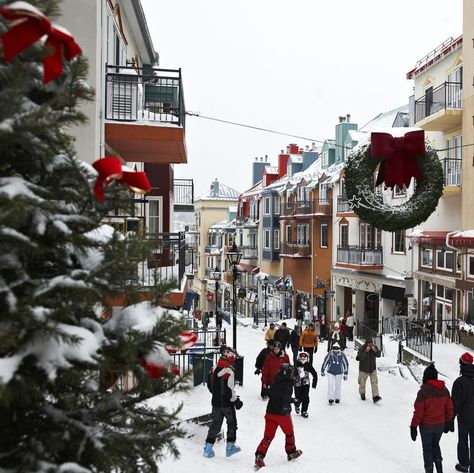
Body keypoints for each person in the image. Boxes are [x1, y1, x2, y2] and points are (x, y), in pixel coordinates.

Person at [254, 363, 303, 469]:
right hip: (282, 414)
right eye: (291, 374)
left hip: (270, 412)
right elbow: (284, 398)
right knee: (289, 433)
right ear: (286, 373)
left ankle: (259, 456)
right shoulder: (288, 383)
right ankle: (291, 453)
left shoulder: (276, 380)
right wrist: (293, 400)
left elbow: (273, 394)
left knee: (268, 436)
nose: (293, 376)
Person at [410, 363, 453, 473]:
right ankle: (439, 468)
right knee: (435, 445)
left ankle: (429, 470)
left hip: (426, 426)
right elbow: (449, 409)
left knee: (427, 448)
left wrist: (413, 426)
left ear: (426, 377)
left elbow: (418, 412)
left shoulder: (423, 392)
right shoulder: (445, 391)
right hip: (440, 425)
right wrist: (448, 421)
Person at [204, 346, 243, 458]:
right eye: (233, 355)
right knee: (231, 424)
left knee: (215, 425)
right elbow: (230, 390)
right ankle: (230, 448)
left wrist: (216, 394)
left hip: (216, 403)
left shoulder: (214, 368)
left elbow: (210, 386)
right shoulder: (229, 371)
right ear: (229, 356)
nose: (234, 357)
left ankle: (208, 449)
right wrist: (237, 402)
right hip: (227, 405)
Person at [451, 352, 474, 473]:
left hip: (464, 418)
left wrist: (450, 419)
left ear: (461, 365)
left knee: (463, 441)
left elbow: (455, 404)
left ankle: (464, 464)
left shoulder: (459, 383)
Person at [357, 337, 382, 403]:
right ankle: (362, 393)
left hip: (372, 368)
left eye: (371, 343)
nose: (370, 344)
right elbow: (358, 358)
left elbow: (379, 355)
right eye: (368, 343)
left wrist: (375, 351)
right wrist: (366, 351)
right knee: (362, 383)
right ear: (366, 343)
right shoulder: (362, 348)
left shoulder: (374, 347)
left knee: (374, 382)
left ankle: (375, 396)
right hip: (363, 369)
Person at [293, 351, 318, 418]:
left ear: (307, 358)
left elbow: (314, 374)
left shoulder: (308, 365)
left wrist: (314, 383)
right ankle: (297, 405)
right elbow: (291, 373)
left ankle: (304, 411)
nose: (303, 358)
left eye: (304, 356)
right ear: (299, 357)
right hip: (297, 384)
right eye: (301, 356)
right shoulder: (296, 364)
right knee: (298, 397)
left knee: (305, 397)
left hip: (305, 383)